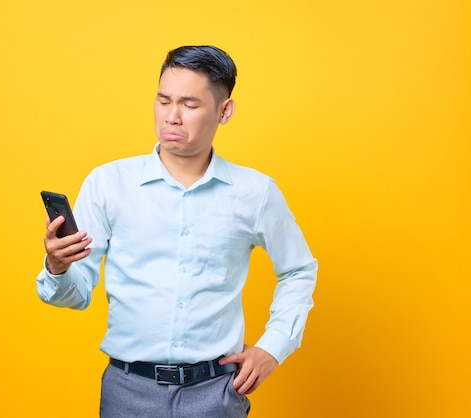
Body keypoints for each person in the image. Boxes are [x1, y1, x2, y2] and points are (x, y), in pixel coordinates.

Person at [36, 45, 317, 417]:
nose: (172, 116)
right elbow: (75, 296)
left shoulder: (255, 193)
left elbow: (298, 269)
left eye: (189, 104)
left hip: (216, 392)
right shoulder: (108, 184)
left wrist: (273, 347)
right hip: (127, 391)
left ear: (224, 110)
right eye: (163, 100)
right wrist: (57, 267)